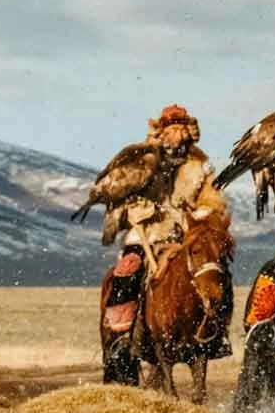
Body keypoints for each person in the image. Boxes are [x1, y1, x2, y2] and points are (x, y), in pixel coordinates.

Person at [99, 104, 232, 364]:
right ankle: (121, 336)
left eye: (182, 130)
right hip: (146, 234)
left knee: (217, 270)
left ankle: (217, 333)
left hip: (185, 235)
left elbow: (213, 201)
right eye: (171, 130)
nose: (177, 136)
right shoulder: (141, 160)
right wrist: (131, 212)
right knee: (128, 270)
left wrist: (202, 214)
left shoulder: (200, 165)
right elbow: (118, 198)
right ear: (162, 132)